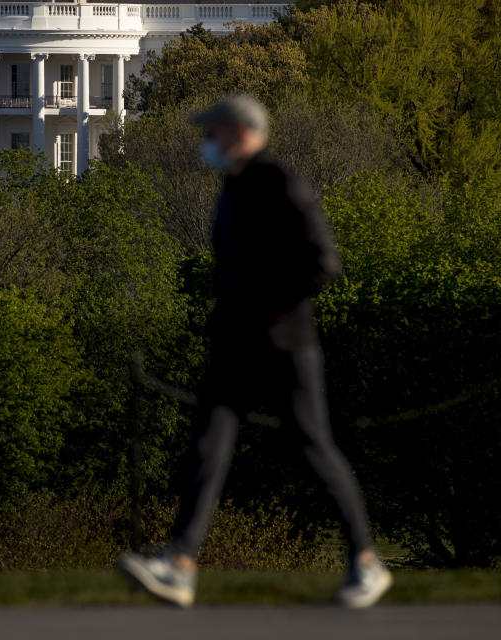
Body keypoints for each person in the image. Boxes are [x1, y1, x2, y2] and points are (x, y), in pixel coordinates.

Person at [116, 94, 392, 609]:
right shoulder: (234, 189)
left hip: (285, 344)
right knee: (207, 448)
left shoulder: (279, 184)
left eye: (212, 134)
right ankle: (180, 563)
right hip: (237, 343)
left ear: (241, 133)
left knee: (312, 448)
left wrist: (267, 307)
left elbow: (323, 263)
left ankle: (367, 562)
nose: (205, 144)